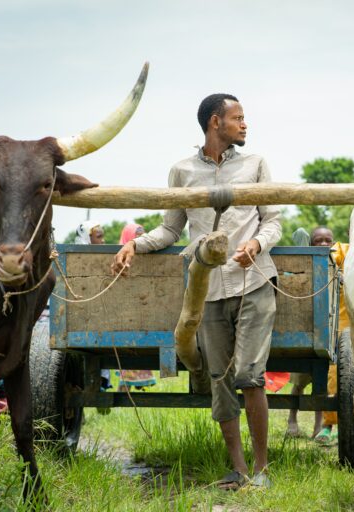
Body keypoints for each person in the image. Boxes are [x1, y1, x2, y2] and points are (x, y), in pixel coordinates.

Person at [112, 94, 281, 490]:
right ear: (215, 122)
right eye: (238, 118)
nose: (245, 125)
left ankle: (262, 471)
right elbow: (171, 229)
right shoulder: (182, 171)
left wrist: (255, 245)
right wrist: (134, 244)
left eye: (244, 119)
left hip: (254, 284)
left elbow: (272, 221)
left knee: (250, 375)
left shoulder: (256, 165)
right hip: (207, 290)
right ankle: (238, 470)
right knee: (220, 378)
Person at [285, 227, 340, 444]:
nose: (324, 244)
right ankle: (292, 419)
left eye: (328, 240)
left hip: (327, 333)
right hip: (304, 332)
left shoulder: (336, 265)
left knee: (322, 386)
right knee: (298, 383)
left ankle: (320, 426)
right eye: (318, 241)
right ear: (310, 244)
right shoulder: (303, 264)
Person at [116, 223, 157, 391]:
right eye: (136, 237)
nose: (140, 240)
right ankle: (124, 387)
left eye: (143, 237)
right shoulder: (116, 260)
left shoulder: (151, 259)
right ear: (127, 239)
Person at [75, 220, 113, 393]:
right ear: (87, 237)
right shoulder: (75, 260)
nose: (103, 241)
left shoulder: (104, 259)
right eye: (99, 237)